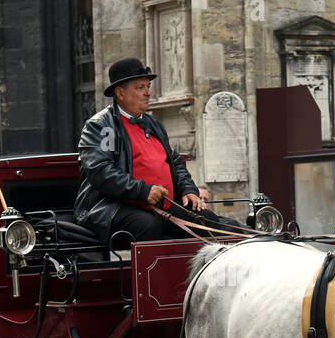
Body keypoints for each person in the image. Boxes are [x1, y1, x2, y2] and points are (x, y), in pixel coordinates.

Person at [74, 57, 227, 244]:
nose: (148, 93)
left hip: (162, 205)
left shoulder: (153, 124)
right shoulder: (102, 126)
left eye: (148, 86)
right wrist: (143, 190)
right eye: (140, 88)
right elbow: (100, 171)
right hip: (112, 208)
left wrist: (188, 189)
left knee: (206, 220)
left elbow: (175, 161)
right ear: (120, 93)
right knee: (147, 225)